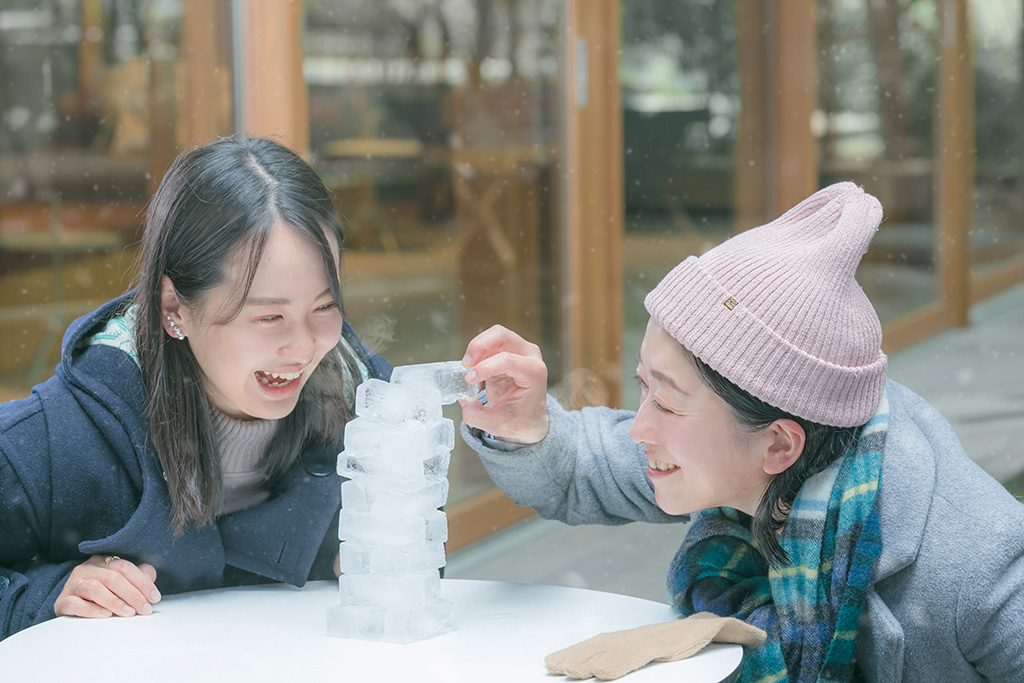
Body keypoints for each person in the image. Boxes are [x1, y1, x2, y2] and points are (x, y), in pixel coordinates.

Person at [459, 182, 1024, 682]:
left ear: (779, 443)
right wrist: (523, 425)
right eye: (643, 387)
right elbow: (581, 469)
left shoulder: (975, 573)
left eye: (669, 403)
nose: (640, 429)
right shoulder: (745, 455)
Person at [0, 135, 391, 641]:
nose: (302, 348)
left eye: (323, 308)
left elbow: (420, 563)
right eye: (268, 315)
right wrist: (43, 596)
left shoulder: (369, 415)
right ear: (174, 308)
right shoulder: (57, 443)